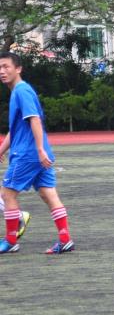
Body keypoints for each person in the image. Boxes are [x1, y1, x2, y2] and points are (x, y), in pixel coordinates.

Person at [0, 51, 73, 254]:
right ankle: (65, 240)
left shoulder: (21, 91)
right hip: (37, 154)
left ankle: (10, 240)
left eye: (6, 66)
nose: (2, 71)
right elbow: (16, 130)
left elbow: (35, 120)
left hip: (27, 155)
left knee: (7, 194)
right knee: (48, 194)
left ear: (18, 69)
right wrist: (1, 150)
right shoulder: (19, 91)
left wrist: (39, 150)